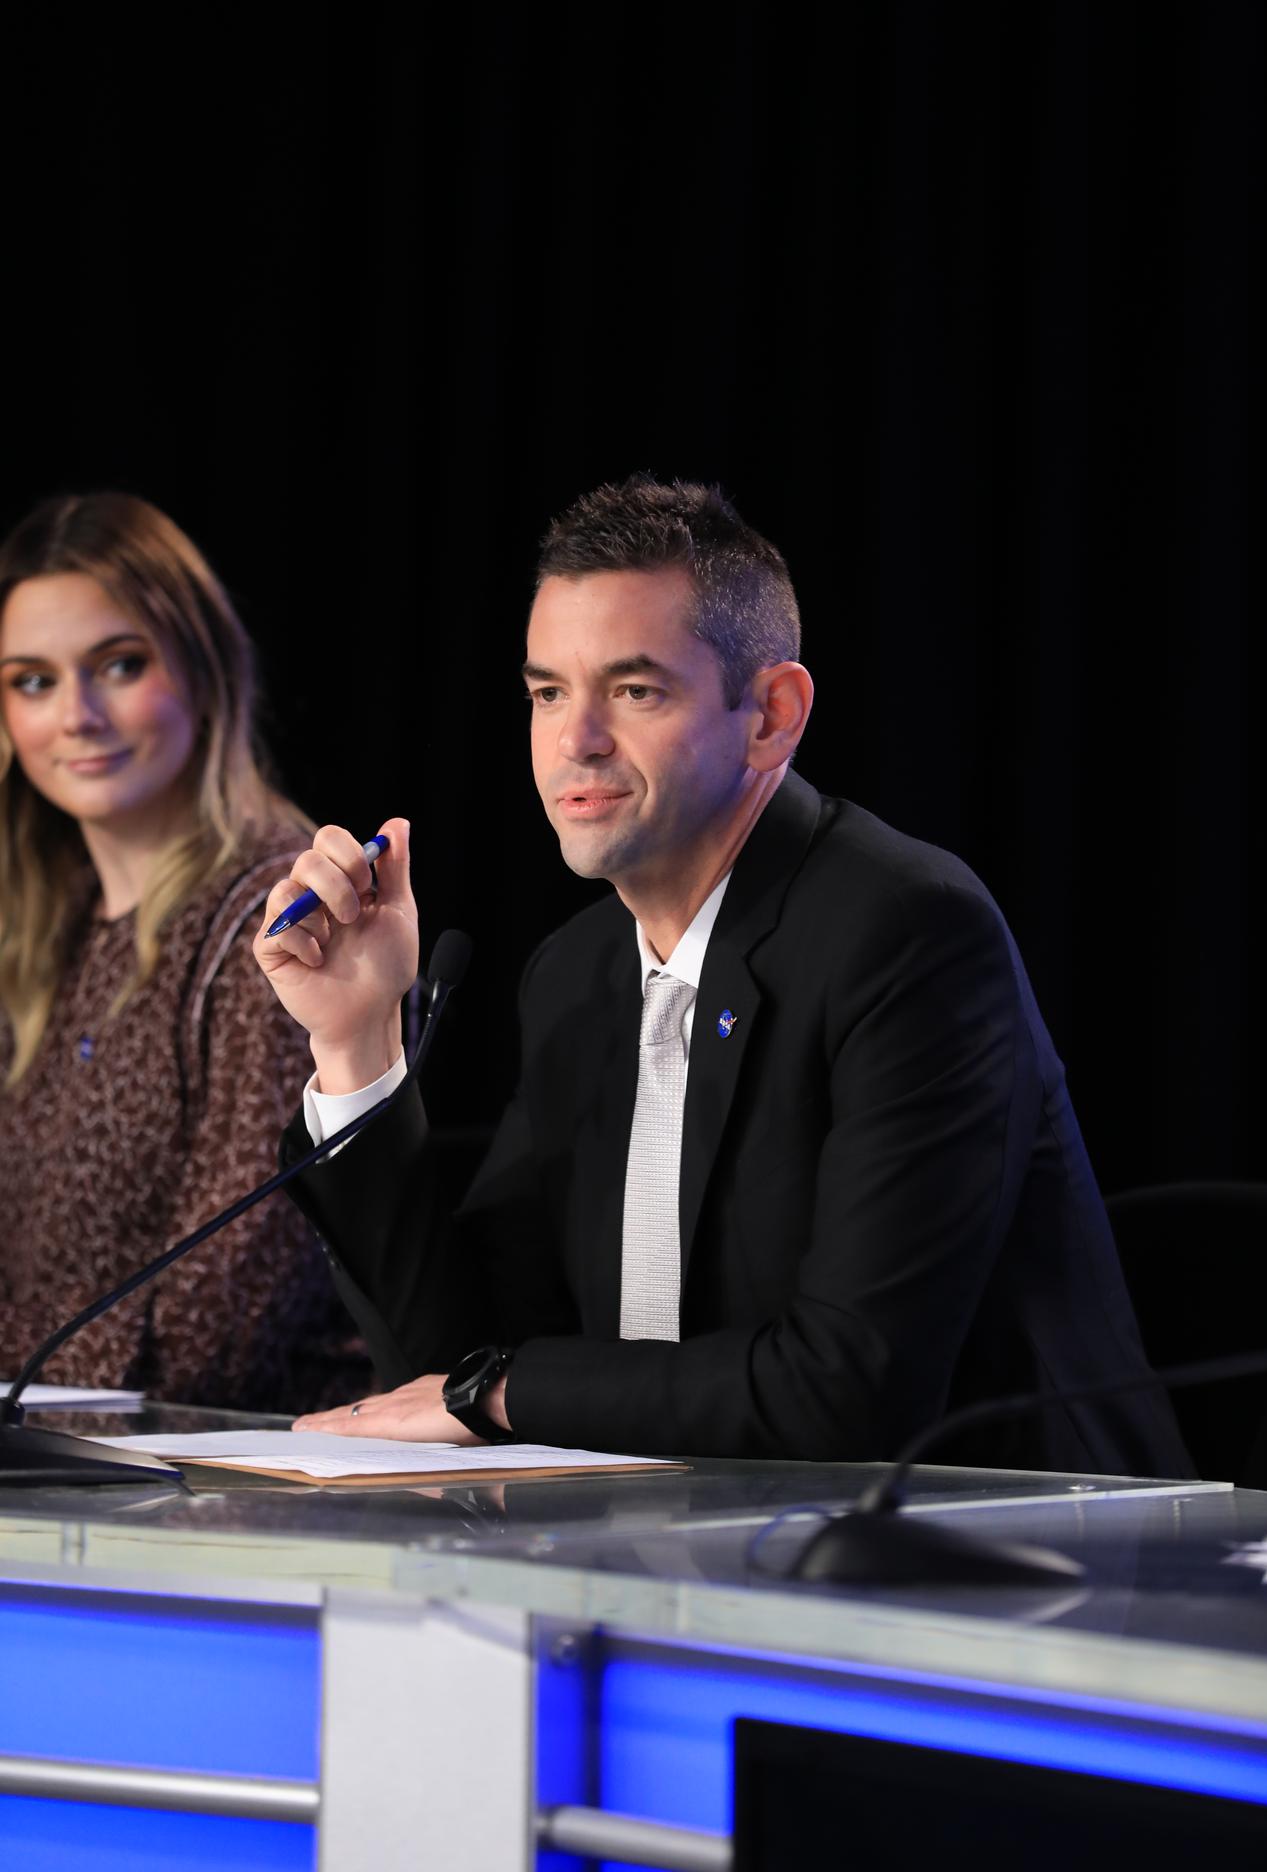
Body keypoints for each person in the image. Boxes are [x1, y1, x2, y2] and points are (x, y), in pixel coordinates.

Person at [257, 476, 1189, 1472]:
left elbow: (845, 1392)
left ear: (770, 717)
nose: (574, 739)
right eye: (546, 693)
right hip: (694, 1554)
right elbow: (450, 1374)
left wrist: (500, 1389)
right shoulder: (574, 978)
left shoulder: (907, 934)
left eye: (633, 690)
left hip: (1018, 1572)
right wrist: (357, 1047)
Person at [0, 492, 360, 1412]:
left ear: (204, 671)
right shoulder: (39, 931)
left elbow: (220, 1323)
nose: (75, 714)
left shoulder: (279, 909)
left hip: (236, 1494)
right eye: (32, 681)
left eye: (118, 665)